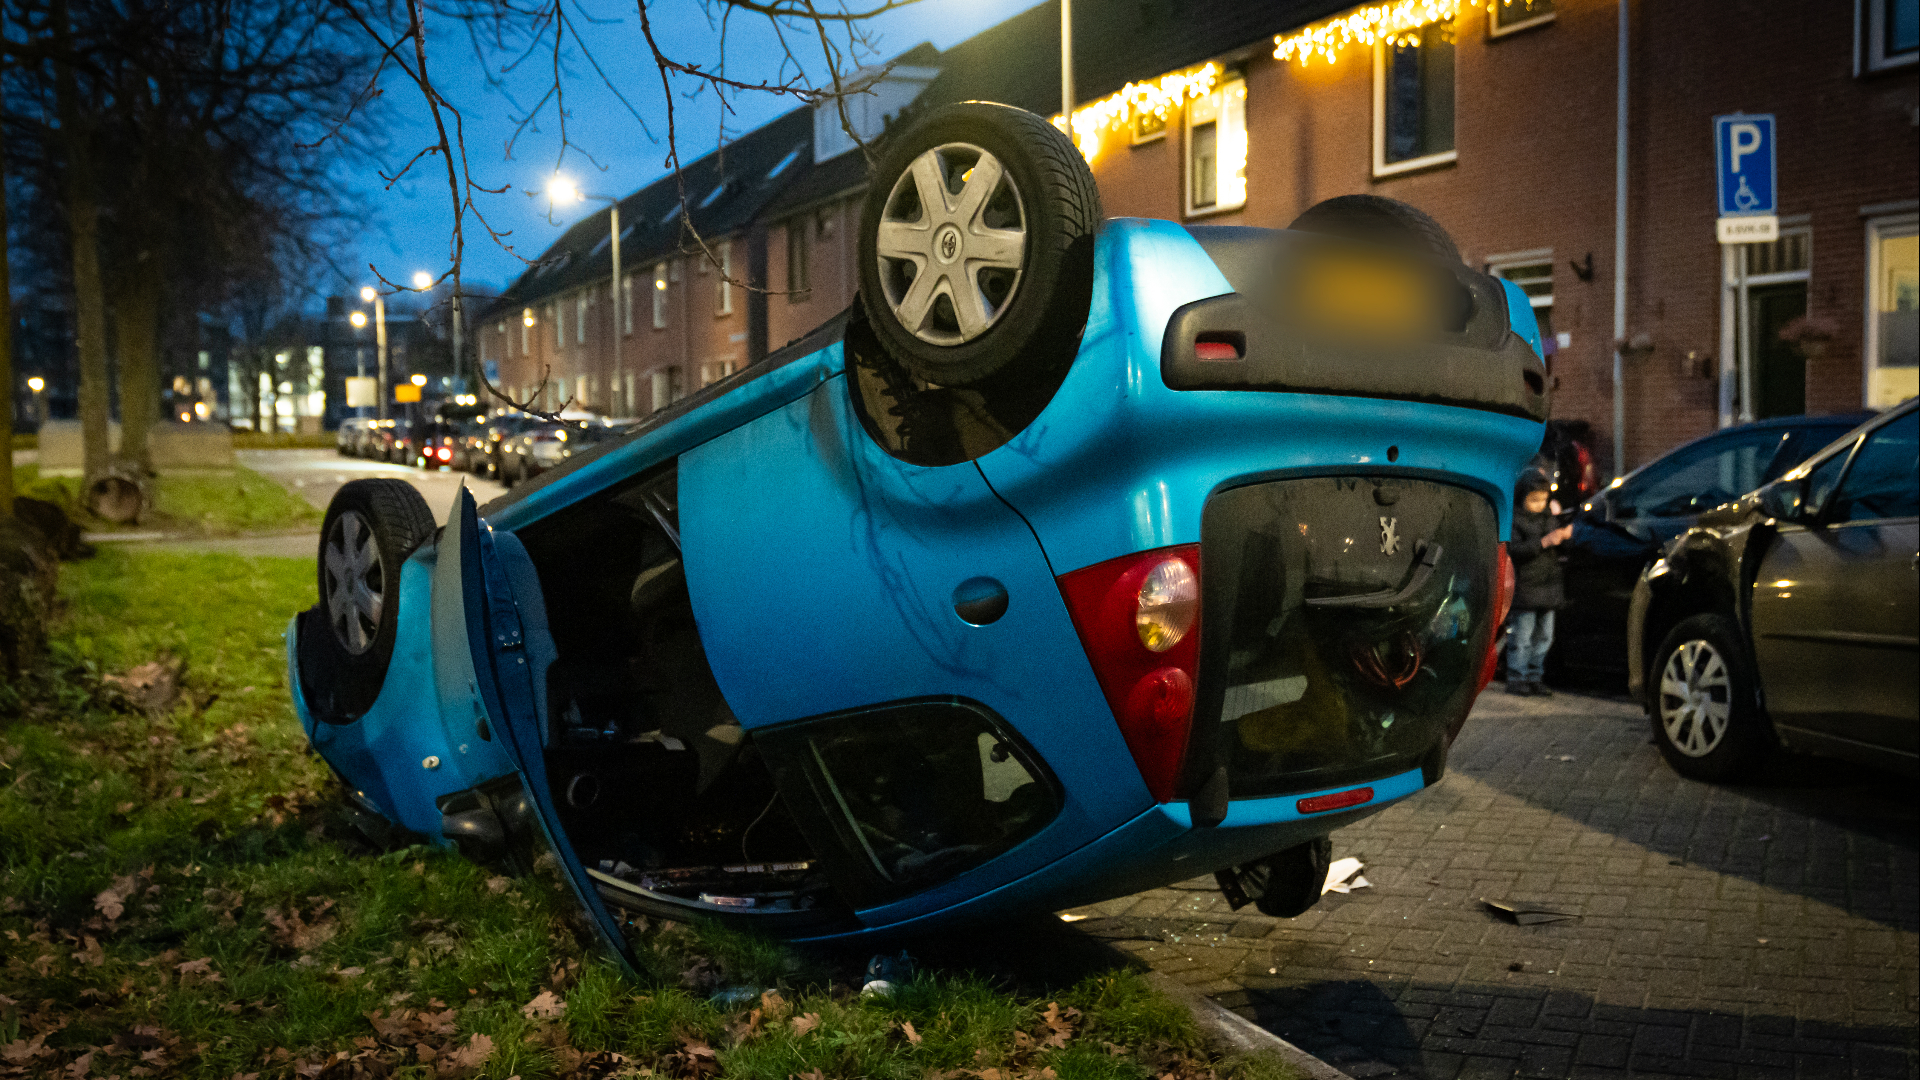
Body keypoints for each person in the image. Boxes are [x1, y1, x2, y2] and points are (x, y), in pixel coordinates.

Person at [1505, 476, 1574, 696]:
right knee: (1522, 637)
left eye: (1543, 499)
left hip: (1548, 586)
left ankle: (1535, 676)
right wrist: (1543, 542)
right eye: (1534, 500)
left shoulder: (1548, 518)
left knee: (1545, 636)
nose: (1539, 505)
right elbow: (1514, 550)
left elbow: (1558, 547)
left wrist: (1564, 537)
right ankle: (1517, 677)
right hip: (1526, 587)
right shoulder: (1515, 520)